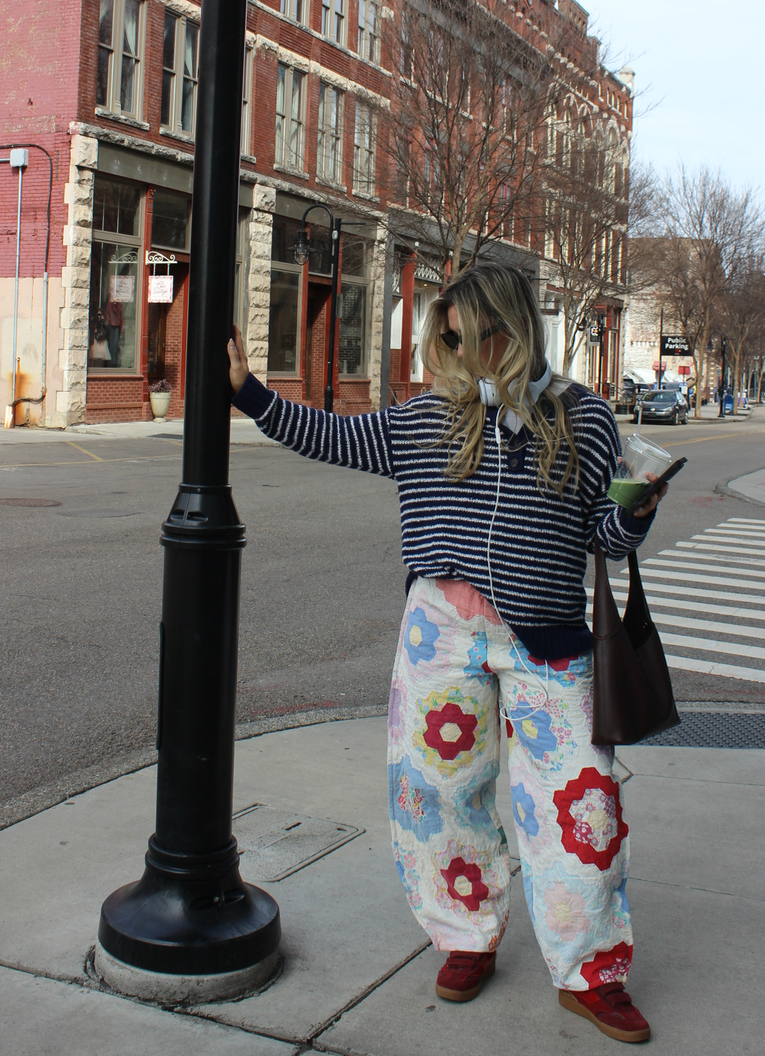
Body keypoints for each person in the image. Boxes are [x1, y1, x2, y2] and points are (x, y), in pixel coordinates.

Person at [228, 262, 667, 1044]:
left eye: (469, 338)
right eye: (448, 338)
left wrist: (636, 511)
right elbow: (332, 436)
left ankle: (591, 972)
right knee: (437, 792)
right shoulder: (428, 416)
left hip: (548, 638)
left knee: (582, 806)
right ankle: (467, 934)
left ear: (512, 331)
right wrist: (251, 395)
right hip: (440, 628)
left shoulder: (586, 419)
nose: (456, 353)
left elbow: (603, 536)